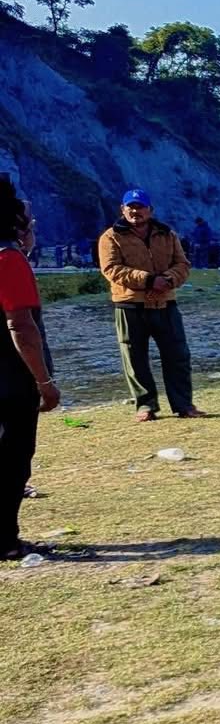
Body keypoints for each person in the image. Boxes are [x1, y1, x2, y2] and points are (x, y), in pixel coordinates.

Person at [99, 189, 199, 422]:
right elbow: (111, 269)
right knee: (134, 358)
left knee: (178, 355)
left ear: (150, 210)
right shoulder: (110, 237)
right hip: (129, 305)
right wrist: (149, 280)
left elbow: (182, 264)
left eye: (140, 207)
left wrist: (168, 280)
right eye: (131, 207)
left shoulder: (167, 234)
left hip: (166, 303)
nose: (136, 211)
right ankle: (145, 406)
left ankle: (184, 405)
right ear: (122, 210)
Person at [0, 176, 59, 559]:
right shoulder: (9, 260)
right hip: (10, 379)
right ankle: (5, 540)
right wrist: (45, 381)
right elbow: (21, 326)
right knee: (13, 459)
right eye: (29, 221)